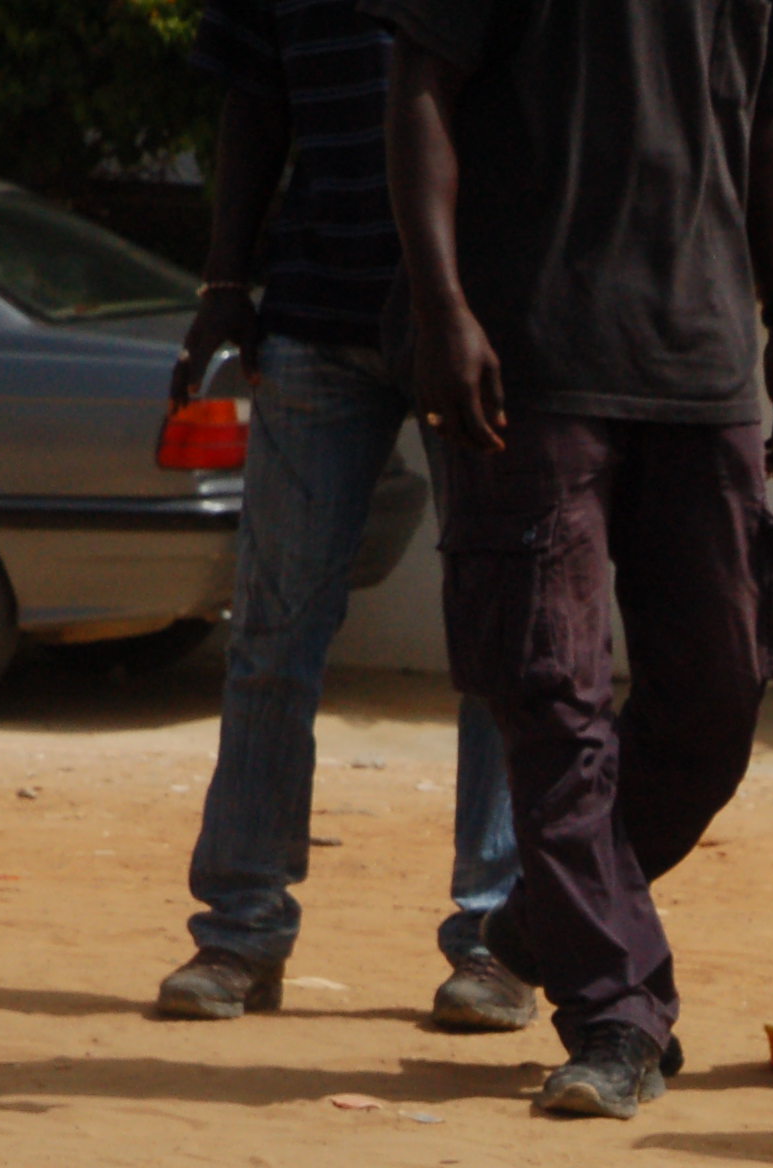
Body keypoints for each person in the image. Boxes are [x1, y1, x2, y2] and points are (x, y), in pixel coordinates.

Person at [367, 0, 773, 1118]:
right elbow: (418, 91)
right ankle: (618, 1013)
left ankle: (530, 928)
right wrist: (441, 307)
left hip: (702, 362)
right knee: (550, 696)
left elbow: (771, 122)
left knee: (720, 692)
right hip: (531, 359)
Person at [155, 0, 527, 1030]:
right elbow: (253, 106)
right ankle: (238, 932)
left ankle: (496, 941)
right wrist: (226, 283)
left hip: (487, 325)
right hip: (319, 315)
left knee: (502, 637)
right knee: (273, 632)